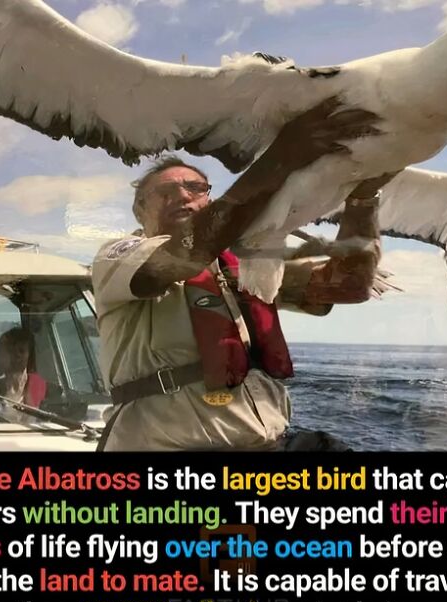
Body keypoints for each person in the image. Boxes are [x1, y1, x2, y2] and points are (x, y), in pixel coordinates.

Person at [92, 98, 386, 451]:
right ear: (139, 210)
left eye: (196, 188)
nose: (183, 196)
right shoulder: (116, 257)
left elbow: (350, 286)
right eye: (165, 192)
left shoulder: (246, 266)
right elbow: (187, 256)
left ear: (209, 200)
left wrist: (365, 198)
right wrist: (284, 156)